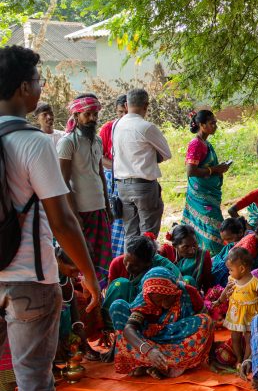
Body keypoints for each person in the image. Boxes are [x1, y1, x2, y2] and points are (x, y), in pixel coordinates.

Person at [0, 45, 104, 391]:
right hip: (28, 283)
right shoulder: (34, 143)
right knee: (33, 380)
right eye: (39, 82)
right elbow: (62, 220)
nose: (42, 89)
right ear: (24, 88)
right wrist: (89, 275)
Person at [57, 94, 111, 282]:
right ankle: (80, 300)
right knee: (80, 260)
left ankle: (96, 297)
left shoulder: (97, 140)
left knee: (99, 260)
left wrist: (108, 206)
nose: (92, 119)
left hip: (98, 208)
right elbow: (63, 182)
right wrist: (74, 216)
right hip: (80, 211)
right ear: (77, 115)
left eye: (95, 114)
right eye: (87, 114)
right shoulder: (67, 142)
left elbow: (101, 175)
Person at [112, 88, 172, 239]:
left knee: (130, 234)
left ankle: (129, 262)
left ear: (126, 105)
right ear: (146, 105)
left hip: (123, 186)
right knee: (148, 234)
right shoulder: (146, 127)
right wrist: (151, 156)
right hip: (144, 186)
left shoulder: (116, 125)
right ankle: (147, 262)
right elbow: (166, 154)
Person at [182, 110, 230, 253]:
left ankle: (209, 257)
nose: (215, 126)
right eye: (212, 123)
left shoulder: (205, 143)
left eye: (215, 123)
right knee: (212, 226)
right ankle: (211, 256)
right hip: (201, 196)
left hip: (209, 192)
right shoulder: (196, 144)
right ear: (202, 125)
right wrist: (214, 170)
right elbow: (191, 171)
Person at [219, 247, 258, 371]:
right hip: (236, 314)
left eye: (230, 270)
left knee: (249, 338)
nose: (229, 273)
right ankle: (239, 358)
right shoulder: (231, 280)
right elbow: (225, 293)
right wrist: (219, 300)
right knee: (235, 337)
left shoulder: (254, 282)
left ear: (242, 269)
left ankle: (246, 359)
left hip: (251, 315)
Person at [99, 94, 128, 260]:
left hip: (130, 181)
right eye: (120, 112)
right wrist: (118, 166)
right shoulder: (108, 128)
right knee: (112, 219)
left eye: (126, 112)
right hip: (110, 181)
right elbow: (99, 157)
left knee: (127, 223)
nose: (123, 116)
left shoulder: (136, 129)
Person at [161, 224, 214, 291]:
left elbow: (207, 282)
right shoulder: (166, 252)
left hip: (192, 295)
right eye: (186, 247)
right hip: (168, 292)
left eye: (194, 244)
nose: (192, 251)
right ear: (175, 246)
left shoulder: (203, 255)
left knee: (188, 280)